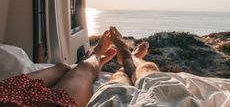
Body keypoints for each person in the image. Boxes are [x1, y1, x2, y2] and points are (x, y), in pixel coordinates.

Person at [0, 27, 163, 107]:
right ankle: (100, 56)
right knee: (83, 68)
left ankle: (95, 60)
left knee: (62, 66)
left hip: (5, 95)